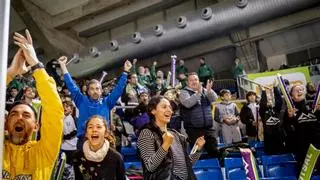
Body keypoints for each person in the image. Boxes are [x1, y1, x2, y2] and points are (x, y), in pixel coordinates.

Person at [4, 30, 63, 179]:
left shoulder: (44, 152)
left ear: (36, 125)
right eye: (13, 114)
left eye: (26, 115)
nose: (19, 118)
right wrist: (10, 73)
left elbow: (54, 111)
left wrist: (36, 65)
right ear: (5, 123)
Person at [58, 56, 132, 148]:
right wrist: (63, 65)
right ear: (88, 91)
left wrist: (125, 72)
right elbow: (71, 85)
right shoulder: (81, 100)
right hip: (84, 140)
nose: (95, 91)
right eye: (92, 89)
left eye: (97, 89)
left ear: (101, 91)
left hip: (103, 140)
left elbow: (118, 89)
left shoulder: (107, 102)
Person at [137, 96, 205, 180]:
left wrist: (197, 149)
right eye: (164, 107)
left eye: (170, 107)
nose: (169, 110)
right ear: (153, 110)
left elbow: (186, 165)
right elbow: (150, 166)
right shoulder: (146, 133)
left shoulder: (176, 135)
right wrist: (165, 145)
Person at [72, 115, 126, 180]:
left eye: (99, 127)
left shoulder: (116, 158)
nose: (94, 130)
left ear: (106, 133)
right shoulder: (77, 157)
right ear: (86, 133)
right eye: (90, 127)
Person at [179, 72, 219, 158]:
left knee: (214, 152)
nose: (194, 82)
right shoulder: (184, 92)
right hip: (194, 130)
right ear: (187, 82)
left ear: (199, 81)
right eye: (191, 80)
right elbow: (187, 103)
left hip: (208, 128)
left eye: (196, 79)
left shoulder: (205, 90)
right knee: (196, 155)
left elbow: (215, 99)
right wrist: (198, 94)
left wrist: (209, 91)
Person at [283, 84, 320, 174]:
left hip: (318, 145)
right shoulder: (290, 110)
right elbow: (287, 129)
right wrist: (289, 117)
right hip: (302, 149)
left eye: (301, 89)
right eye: (296, 90)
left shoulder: (314, 105)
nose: (300, 91)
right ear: (291, 96)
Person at [259, 84, 286, 155]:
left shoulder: (277, 109)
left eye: (270, 100)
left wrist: (275, 88)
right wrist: (264, 91)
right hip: (269, 140)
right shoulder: (263, 111)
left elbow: (279, 101)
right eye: (267, 100)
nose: (269, 101)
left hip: (279, 138)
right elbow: (262, 104)